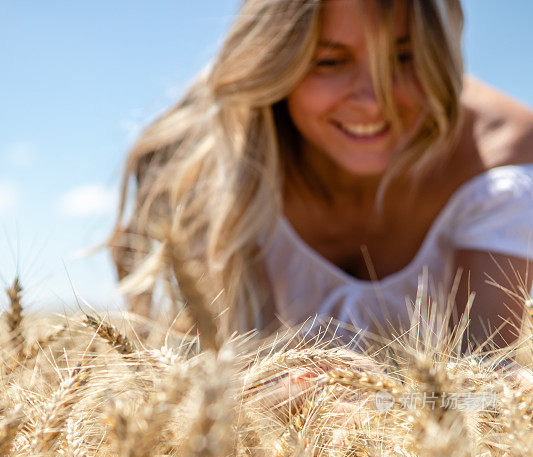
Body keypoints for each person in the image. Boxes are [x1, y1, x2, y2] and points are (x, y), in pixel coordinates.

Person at [109, 0, 533, 365]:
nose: (374, 100)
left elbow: (481, 384)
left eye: (405, 57)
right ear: (276, 61)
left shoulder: (501, 160)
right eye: (330, 61)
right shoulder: (209, 163)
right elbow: (212, 377)